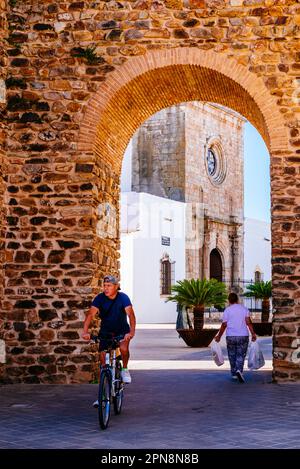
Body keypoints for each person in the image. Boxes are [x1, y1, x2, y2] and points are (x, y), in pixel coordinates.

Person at [82, 274, 136, 404]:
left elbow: (131, 315)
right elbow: (90, 315)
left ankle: (124, 369)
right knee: (103, 361)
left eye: (109, 286)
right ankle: (103, 395)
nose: (106, 288)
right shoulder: (100, 298)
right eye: (104, 286)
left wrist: (131, 332)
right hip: (106, 331)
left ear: (116, 287)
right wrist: (85, 331)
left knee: (123, 348)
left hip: (122, 330)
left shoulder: (123, 298)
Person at [214, 292, 256, 383]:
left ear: (229, 301)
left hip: (231, 336)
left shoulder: (227, 310)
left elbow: (224, 325)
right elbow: (248, 322)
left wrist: (219, 336)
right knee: (241, 355)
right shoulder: (244, 309)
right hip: (243, 336)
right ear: (237, 300)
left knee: (232, 355)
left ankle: (233, 374)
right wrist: (253, 334)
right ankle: (239, 371)